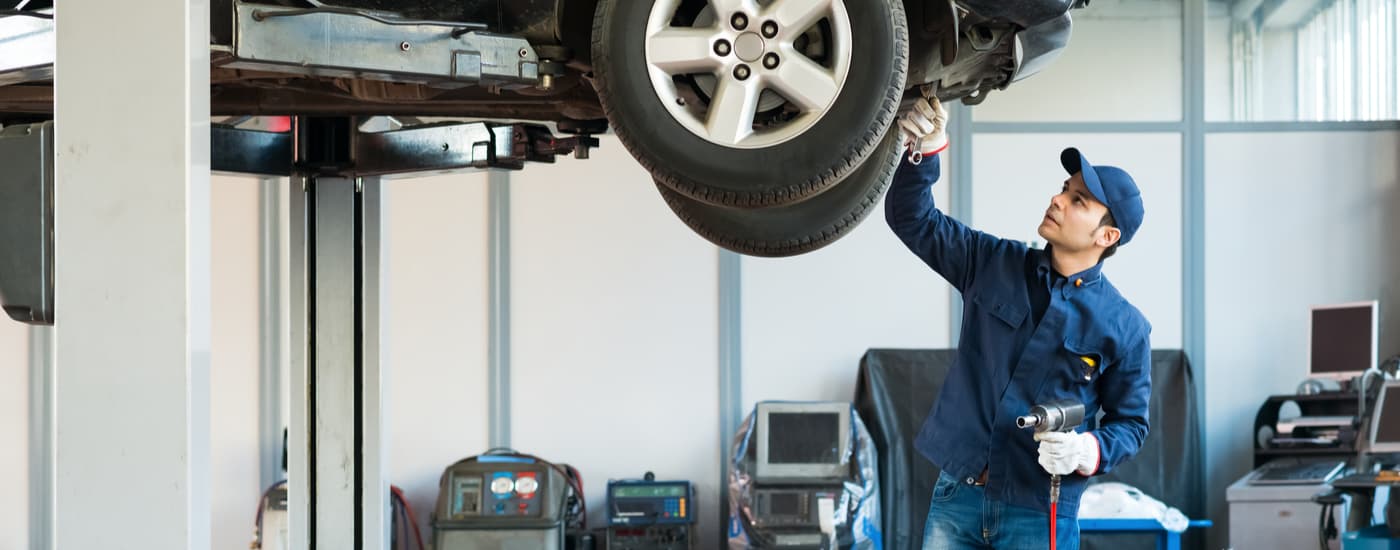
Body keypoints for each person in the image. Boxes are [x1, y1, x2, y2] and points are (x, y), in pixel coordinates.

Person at [886, 96, 1153, 550]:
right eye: (1063, 189)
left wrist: (1087, 450)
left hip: (1039, 509)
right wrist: (924, 151)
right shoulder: (991, 263)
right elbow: (912, 219)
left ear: (1107, 237)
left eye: (1078, 200)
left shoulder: (1125, 327)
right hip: (958, 496)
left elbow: (1131, 423)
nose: (1057, 199)